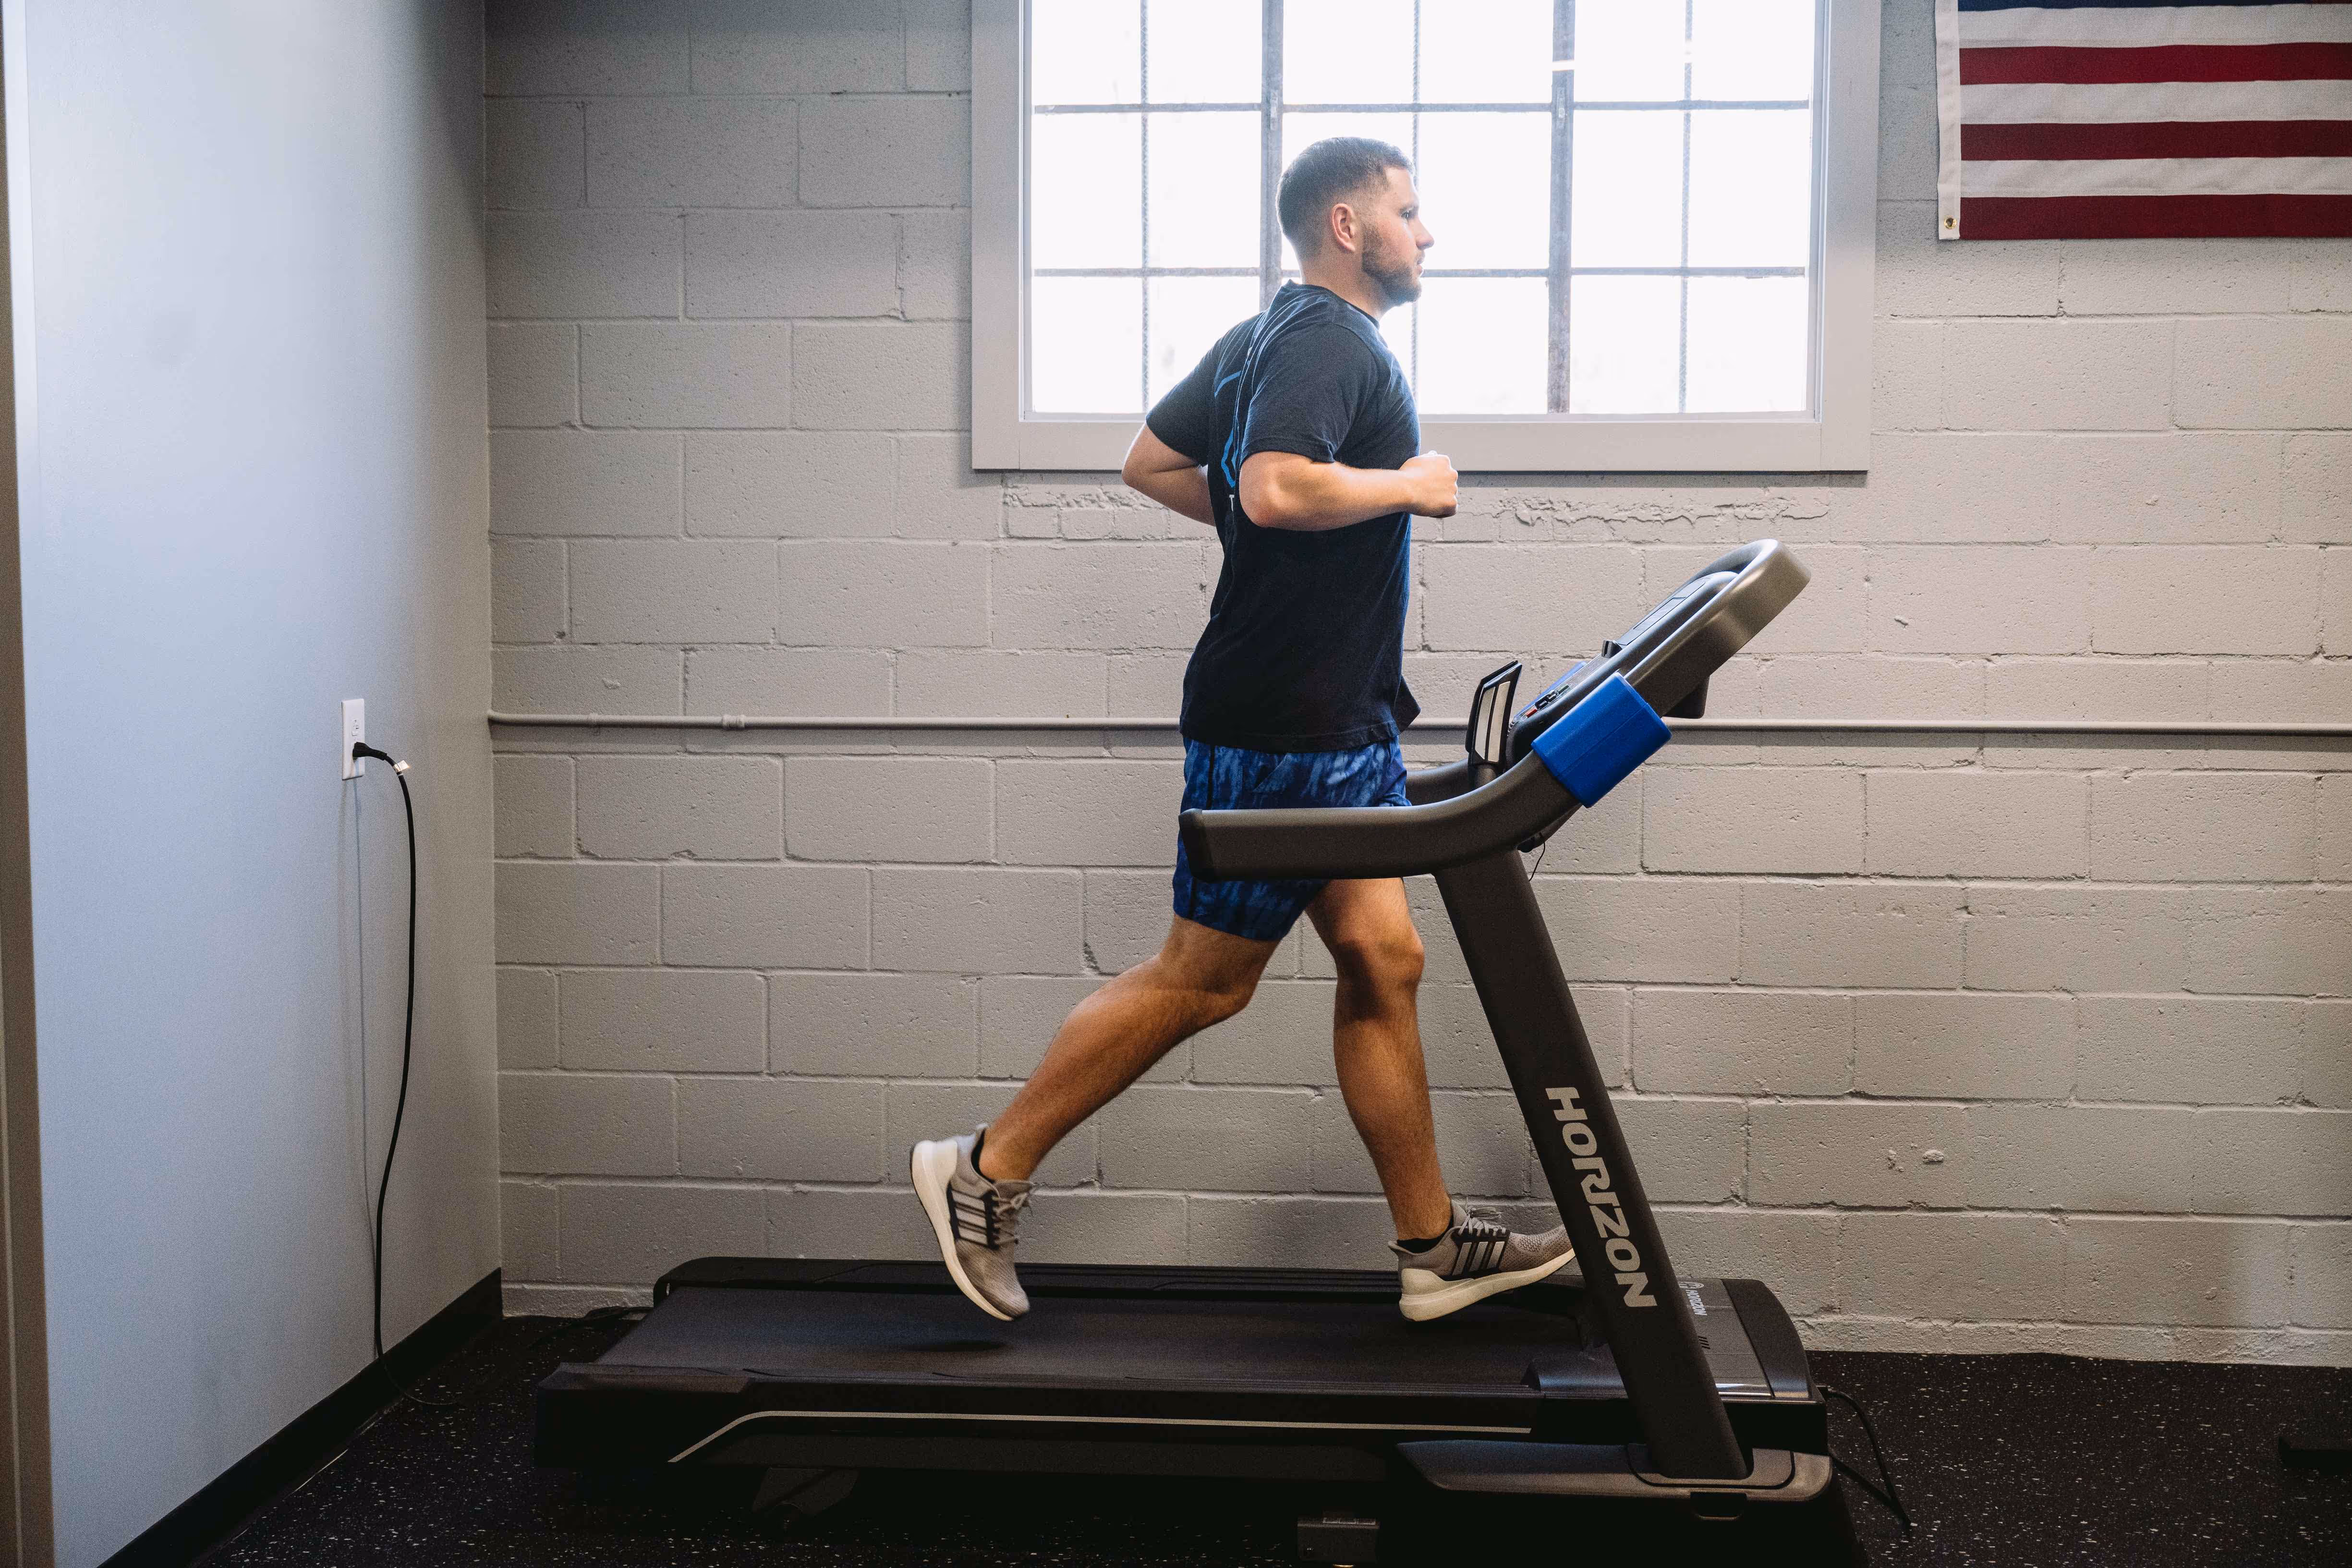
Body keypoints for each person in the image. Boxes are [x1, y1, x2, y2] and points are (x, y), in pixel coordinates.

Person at [912, 138, 1572, 1324]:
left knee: (1385, 957)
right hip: (1289, 720)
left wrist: (1267, 525)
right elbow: (1269, 486)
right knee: (1203, 984)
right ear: (1347, 226)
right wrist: (1407, 485)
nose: (1429, 234)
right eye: (1409, 212)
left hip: (1339, 715)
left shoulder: (1264, 335)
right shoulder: (1328, 338)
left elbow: (1152, 462)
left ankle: (1429, 1246)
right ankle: (984, 1169)